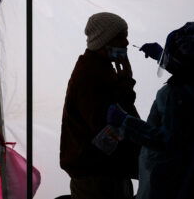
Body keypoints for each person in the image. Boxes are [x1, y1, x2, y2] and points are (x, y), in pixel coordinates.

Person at [107, 21, 194, 199]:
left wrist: (126, 122)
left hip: (186, 182)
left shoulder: (178, 94)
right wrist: (164, 57)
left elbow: (166, 142)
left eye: (172, 53)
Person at [60, 12, 141, 199]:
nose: (127, 43)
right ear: (104, 40)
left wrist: (124, 82)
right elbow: (106, 126)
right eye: (121, 37)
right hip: (96, 175)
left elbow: (117, 113)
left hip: (105, 170)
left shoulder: (102, 68)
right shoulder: (91, 75)